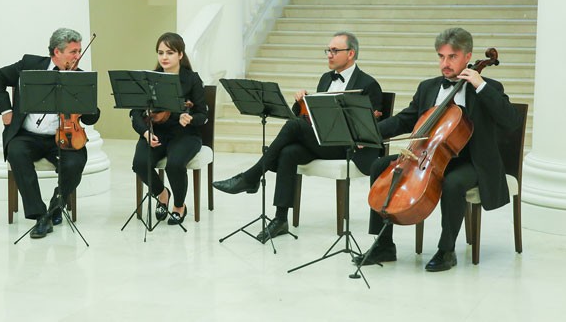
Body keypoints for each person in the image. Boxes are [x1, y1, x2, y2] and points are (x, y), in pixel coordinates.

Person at [357, 27, 522, 272]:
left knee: (453, 182)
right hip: (431, 155)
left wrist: (480, 86)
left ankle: (446, 250)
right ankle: (383, 245)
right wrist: (371, 134)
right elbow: (405, 119)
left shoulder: (489, 87)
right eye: (441, 56)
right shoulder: (428, 87)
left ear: (468, 56)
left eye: (452, 57)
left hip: (472, 161)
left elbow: (511, 121)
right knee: (380, 166)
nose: (445, 63)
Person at [213, 31, 383, 242]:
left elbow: (374, 126)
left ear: (351, 53)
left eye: (334, 50)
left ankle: (252, 176)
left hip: (348, 147)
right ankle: (280, 219)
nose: (329, 54)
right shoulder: (325, 79)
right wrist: (303, 101)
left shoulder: (369, 84)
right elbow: (314, 118)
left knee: (294, 126)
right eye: (328, 50)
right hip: (324, 141)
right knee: (289, 152)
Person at [0, 28, 101, 239]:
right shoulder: (30, 64)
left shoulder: (80, 77)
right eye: (73, 51)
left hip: (64, 136)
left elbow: (91, 119)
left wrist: (87, 102)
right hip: (27, 135)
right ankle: (40, 215)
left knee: (76, 161)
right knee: (16, 152)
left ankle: (57, 205)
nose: (78, 56)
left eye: (79, 51)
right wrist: (5, 110)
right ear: (57, 51)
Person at [130, 32, 207, 225]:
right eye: (160, 52)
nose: (164, 57)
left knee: (175, 164)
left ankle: (179, 206)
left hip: (185, 134)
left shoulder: (192, 79)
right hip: (156, 132)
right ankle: (162, 193)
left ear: (180, 54)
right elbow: (135, 113)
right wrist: (145, 133)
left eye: (170, 52)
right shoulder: (149, 79)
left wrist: (189, 118)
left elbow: (202, 115)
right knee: (139, 163)